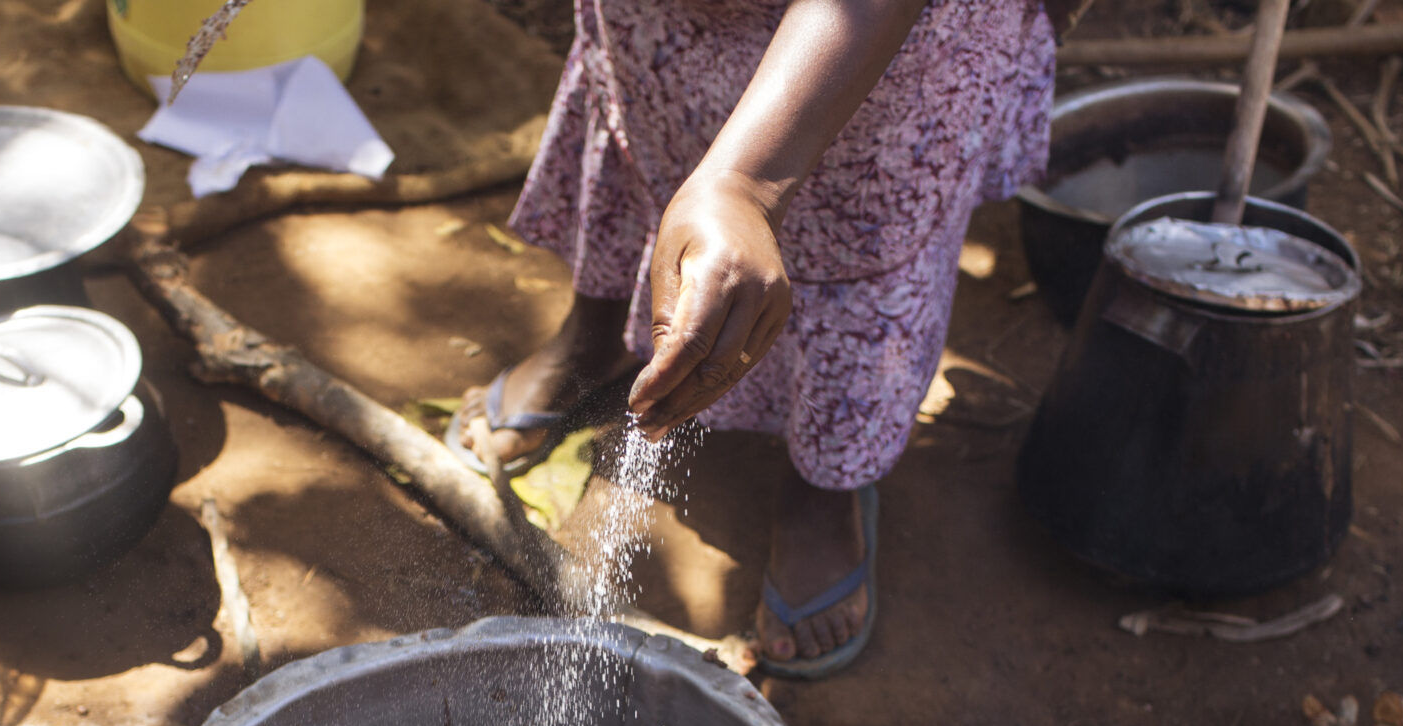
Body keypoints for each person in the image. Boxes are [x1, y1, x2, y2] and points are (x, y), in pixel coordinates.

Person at [449, 0, 1054, 677]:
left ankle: (824, 476)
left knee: (862, 209)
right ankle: (593, 339)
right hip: (662, 28)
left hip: (878, 52)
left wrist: (741, 185)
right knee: (648, 116)